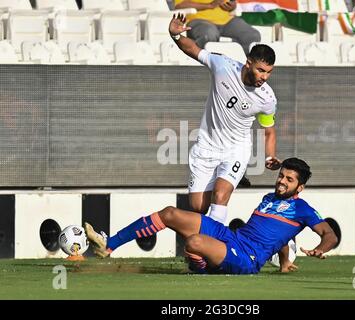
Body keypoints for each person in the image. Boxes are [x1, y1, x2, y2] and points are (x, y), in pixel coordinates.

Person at [84, 157, 338, 275]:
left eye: (289, 179)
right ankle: (109, 245)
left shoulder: (303, 208)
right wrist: (283, 263)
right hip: (231, 237)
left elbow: (329, 234)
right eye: (281, 175)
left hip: (247, 258)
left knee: (193, 243)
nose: (281, 181)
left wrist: (320, 248)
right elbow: (281, 236)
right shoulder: (269, 199)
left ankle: (202, 274)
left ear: (300, 187)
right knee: (170, 213)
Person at [168, 14, 281, 229]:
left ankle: (211, 251)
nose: (264, 77)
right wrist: (175, 35)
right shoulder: (223, 66)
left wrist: (269, 156)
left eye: (268, 72)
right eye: (260, 70)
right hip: (207, 147)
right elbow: (192, 49)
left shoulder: (267, 99)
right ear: (248, 64)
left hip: (236, 150)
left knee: (220, 196)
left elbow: (269, 131)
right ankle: (206, 247)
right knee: (198, 207)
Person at [174, 0, 261, 55]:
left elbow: (233, 2)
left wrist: (233, 5)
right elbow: (179, 5)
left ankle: (243, 69)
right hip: (199, 20)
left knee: (253, 36)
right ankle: (208, 68)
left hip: (227, 20)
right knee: (209, 34)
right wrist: (210, 5)